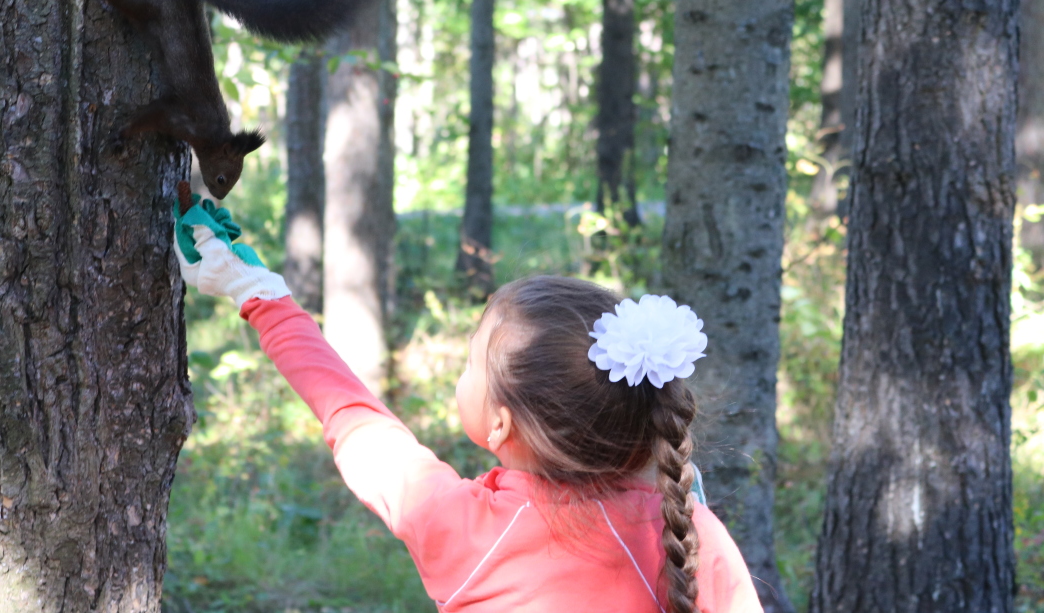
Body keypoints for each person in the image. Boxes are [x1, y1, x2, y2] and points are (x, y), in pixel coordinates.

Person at [175, 196, 763, 613]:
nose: (459, 375)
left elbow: (351, 414)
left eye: (469, 364)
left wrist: (258, 293)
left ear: (502, 424)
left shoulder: (466, 528)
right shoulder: (692, 533)